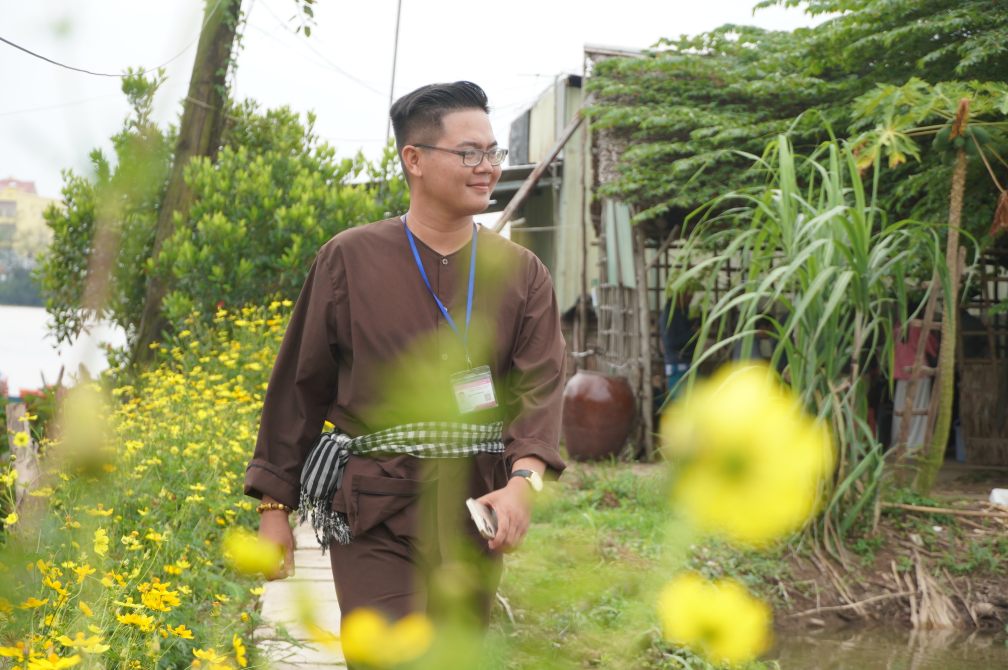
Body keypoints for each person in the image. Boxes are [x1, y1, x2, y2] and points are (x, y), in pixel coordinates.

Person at [243, 82, 566, 642]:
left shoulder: (522, 273)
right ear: (413, 159)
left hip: (473, 508)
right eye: (469, 153)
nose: (486, 166)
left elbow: (539, 388)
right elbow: (300, 386)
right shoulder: (348, 259)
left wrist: (522, 483)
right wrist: (275, 508)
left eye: (493, 152)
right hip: (373, 506)